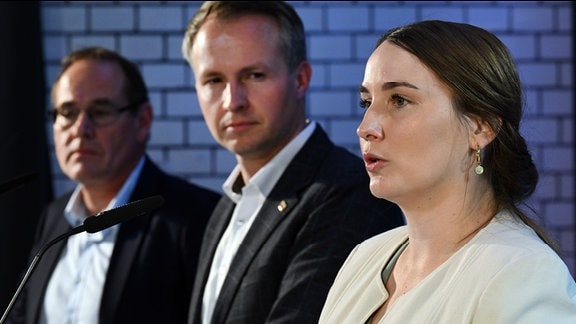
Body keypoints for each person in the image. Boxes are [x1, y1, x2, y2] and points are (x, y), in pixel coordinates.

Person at [318, 20, 576, 323]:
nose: (366, 128)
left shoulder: (523, 275)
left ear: (480, 127)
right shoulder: (363, 258)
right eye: (367, 102)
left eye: (399, 100)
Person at [181, 1, 405, 323]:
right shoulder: (228, 204)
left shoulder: (351, 196)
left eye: (254, 75)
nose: (233, 101)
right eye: (214, 80)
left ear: (300, 79)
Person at [7, 47, 221, 324]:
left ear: (143, 121)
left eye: (100, 111)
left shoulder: (196, 217)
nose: (81, 129)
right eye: (68, 112)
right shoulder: (53, 218)